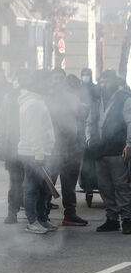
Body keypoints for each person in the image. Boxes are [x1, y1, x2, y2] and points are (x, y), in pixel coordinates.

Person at [86, 70, 131, 234]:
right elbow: (90, 122)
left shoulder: (125, 99)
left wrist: (129, 145)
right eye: (101, 81)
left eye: (106, 81)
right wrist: (89, 140)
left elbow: (130, 122)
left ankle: (127, 219)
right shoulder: (97, 100)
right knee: (105, 188)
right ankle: (112, 218)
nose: (103, 85)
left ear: (114, 81)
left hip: (118, 151)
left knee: (121, 186)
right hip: (100, 151)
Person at [44, 68, 89, 226]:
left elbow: (81, 122)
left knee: (69, 186)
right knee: (48, 185)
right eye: (55, 78)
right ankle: (43, 216)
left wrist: (81, 142)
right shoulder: (46, 100)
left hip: (72, 149)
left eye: (61, 78)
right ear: (51, 81)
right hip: (53, 150)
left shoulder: (73, 99)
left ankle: (70, 214)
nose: (58, 81)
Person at [17, 70, 56, 234]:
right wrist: (39, 155)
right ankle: (33, 221)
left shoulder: (38, 101)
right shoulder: (34, 104)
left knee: (43, 188)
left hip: (39, 152)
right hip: (33, 153)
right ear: (37, 84)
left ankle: (41, 219)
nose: (49, 85)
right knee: (32, 187)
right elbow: (35, 133)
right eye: (47, 81)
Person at [0, 69, 27, 224]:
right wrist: (0, 145)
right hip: (13, 146)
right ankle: (12, 212)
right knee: (15, 182)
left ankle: (34, 213)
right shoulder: (10, 97)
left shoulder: (36, 96)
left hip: (31, 146)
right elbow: (1, 122)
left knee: (31, 183)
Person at [79, 68, 99, 206]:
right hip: (84, 130)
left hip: (95, 130)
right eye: (84, 75)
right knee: (87, 165)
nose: (86, 77)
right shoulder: (79, 90)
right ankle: (88, 189)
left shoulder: (96, 89)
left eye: (88, 75)